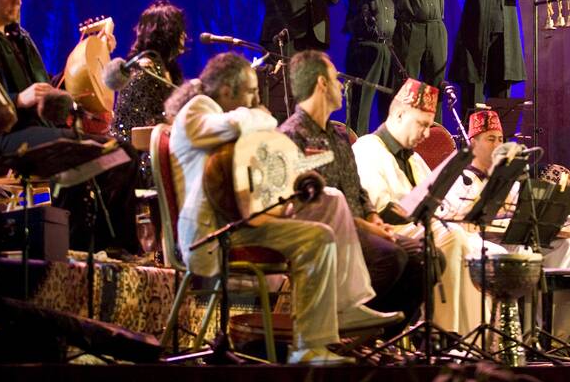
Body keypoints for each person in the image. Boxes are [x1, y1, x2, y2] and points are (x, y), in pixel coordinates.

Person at [166, 51, 400, 364]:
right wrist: (262, 115)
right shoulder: (196, 112)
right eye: (250, 92)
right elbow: (246, 124)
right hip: (212, 236)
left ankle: (346, 307)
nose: (255, 100)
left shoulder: (228, 127)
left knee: (330, 199)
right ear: (225, 91)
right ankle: (308, 349)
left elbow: (250, 181)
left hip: (239, 222)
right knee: (317, 239)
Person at [0, 0, 142, 254]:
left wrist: (92, 53)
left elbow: (49, 86)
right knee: (75, 151)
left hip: (37, 129)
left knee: (123, 153)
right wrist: (18, 98)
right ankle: (80, 245)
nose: (18, 1)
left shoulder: (20, 38)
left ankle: (109, 246)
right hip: (2, 138)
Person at [279, 50, 424, 330]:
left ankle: (384, 334)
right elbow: (309, 205)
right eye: (336, 79)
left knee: (425, 257)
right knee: (391, 256)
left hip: (361, 228)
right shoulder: (292, 136)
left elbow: (357, 190)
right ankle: (347, 325)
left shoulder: (340, 137)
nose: (341, 86)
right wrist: (367, 227)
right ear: (321, 83)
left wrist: (372, 216)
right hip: (328, 233)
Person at [353, 78, 488, 335]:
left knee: (477, 245)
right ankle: (445, 334)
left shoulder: (414, 159)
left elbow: (439, 202)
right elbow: (380, 209)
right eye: (422, 125)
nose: (427, 134)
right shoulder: (367, 148)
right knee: (452, 238)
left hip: (420, 228)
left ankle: (477, 338)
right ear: (400, 114)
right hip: (386, 234)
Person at [441, 110, 570, 342]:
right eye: (491, 139)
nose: (498, 145)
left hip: (516, 239)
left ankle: (564, 334)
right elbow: (454, 220)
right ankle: (525, 338)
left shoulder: (509, 178)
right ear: (473, 142)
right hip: (483, 243)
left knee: (569, 247)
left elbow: (526, 213)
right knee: (523, 253)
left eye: (501, 139)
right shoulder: (459, 178)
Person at [449, 0, 534, 118]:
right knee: (474, 104)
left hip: (504, 45)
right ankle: (471, 145)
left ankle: (500, 146)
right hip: (475, 46)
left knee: (501, 104)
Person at [341, 0, 396, 134]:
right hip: (363, 48)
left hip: (390, 49)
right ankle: (356, 155)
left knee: (389, 109)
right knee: (359, 108)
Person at [111, 0, 186, 145]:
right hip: (136, 155)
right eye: (179, 30)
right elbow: (143, 124)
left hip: (162, 145)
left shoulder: (171, 71)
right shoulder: (142, 72)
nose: (184, 35)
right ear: (166, 32)